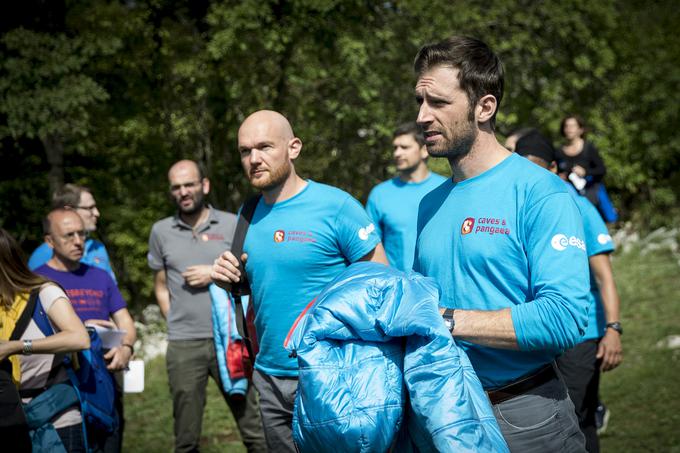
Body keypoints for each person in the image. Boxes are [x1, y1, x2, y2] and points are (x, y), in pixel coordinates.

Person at [412, 36, 590, 451]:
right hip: (443, 418)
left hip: (525, 415)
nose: (422, 116)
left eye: (437, 102)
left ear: (484, 107)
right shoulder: (429, 203)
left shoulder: (541, 192)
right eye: (419, 101)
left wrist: (449, 320)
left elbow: (564, 317)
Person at [212, 110, 388, 452]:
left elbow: (382, 283)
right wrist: (231, 279)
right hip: (268, 376)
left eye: (264, 147)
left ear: (293, 148)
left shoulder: (335, 205)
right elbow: (264, 284)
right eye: (245, 151)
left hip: (330, 376)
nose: (254, 159)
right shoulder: (246, 214)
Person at [512, 130, 623, 453]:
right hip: (540, 336)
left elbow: (605, 278)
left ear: (552, 169)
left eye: (533, 166)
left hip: (582, 334)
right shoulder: (520, 208)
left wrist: (613, 329)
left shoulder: (579, 208)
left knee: (576, 419)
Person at [147, 160, 265, 453]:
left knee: (256, 432)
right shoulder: (161, 232)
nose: (183, 192)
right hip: (184, 343)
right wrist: (173, 318)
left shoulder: (231, 223)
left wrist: (213, 272)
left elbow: (252, 275)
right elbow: (161, 285)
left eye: (189, 184)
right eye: (176, 187)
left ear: (205, 185)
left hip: (232, 340)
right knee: (186, 439)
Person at [33, 209, 136, 452]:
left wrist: (127, 348)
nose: (78, 241)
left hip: (104, 381)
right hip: (61, 387)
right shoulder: (35, 281)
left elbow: (126, 322)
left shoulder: (100, 276)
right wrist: (84, 327)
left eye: (82, 234)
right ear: (49, 241)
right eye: (69, 235)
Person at [0, 227, 91, 452]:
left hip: (55, 422)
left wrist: (18, 347)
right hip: (9, 422)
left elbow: (79, 338)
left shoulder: (43, 292)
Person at [365, 122, 447, 271]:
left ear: (424, 150)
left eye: (405, 147)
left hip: (438, 286)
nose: (397, 153)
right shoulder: (380, 194)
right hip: (397, 288)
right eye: (395, 148)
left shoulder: (446, 188)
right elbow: (369, 249)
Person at [28, 184, 117, 281]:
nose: (96, 213)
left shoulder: (98, 247)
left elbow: (110, 290)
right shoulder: (44, 254)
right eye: (89, 208)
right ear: (69, 210)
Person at [556, 116, 617, 222]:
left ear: (580, 129)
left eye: (573, 126)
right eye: (566, 126)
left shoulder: (589, 148)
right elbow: (556, 172)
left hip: (591, 194)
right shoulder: (558, 152)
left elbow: (602, 170)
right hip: (571, 197)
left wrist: (585, 172)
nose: (569, 129)